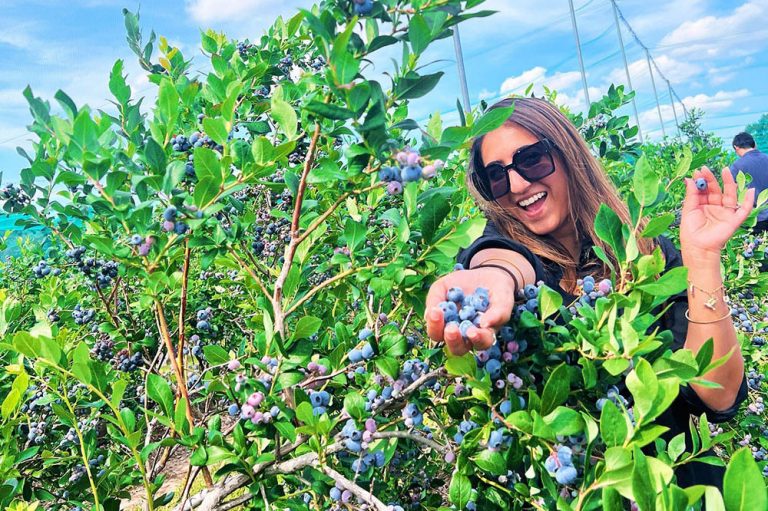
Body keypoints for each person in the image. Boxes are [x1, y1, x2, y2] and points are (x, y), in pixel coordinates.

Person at [424, 97, 752, 488]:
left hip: (680, 488)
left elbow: (719, 395)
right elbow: (506, 261)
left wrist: (701, 258)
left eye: (531, 159)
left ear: (567, 153)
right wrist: (495, 275)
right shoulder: (508, 254)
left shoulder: (646, 253)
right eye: (495, 176)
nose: (516, 184)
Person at [730, 131, 768, 232]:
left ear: (736, 147)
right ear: (754, 144)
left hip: (755, 219)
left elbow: (731, 193)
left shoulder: (737, 166)